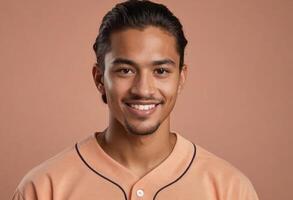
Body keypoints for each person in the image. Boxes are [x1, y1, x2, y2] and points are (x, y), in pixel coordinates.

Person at [12, 0, 259, 199]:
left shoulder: (230, 190)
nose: (143, 89)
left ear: (181, 78)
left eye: (161, 71)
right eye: (125, 70)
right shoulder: (44, 189)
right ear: (99, 78)